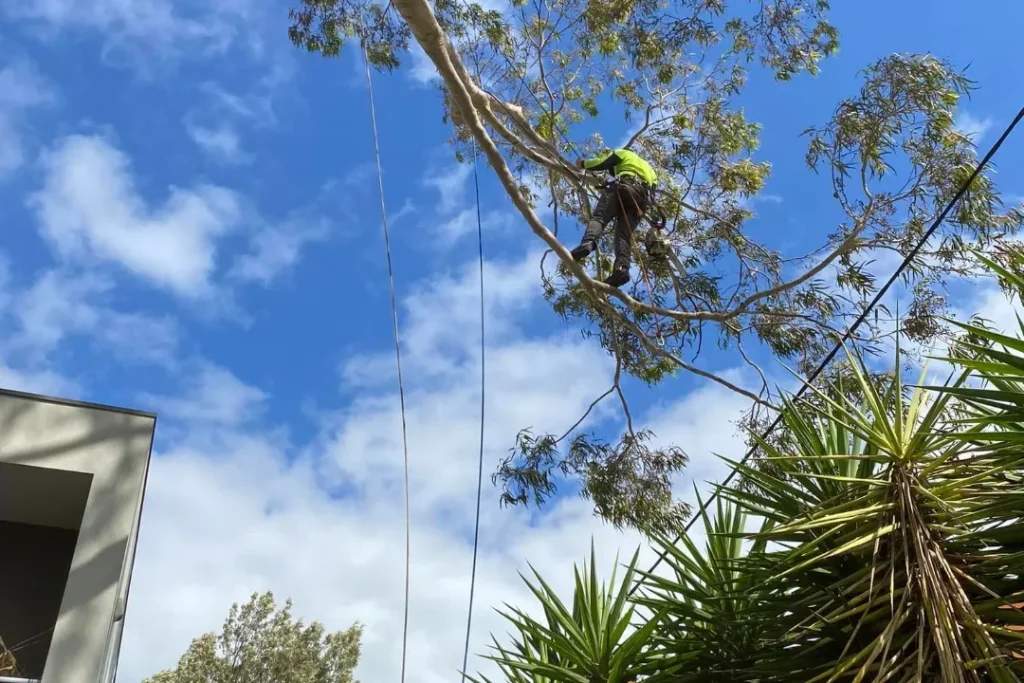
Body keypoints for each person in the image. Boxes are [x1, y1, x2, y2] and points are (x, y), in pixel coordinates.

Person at [570, 147, 658, 287]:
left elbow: (603, 162)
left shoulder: (624, 152)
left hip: (624, 186)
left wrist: (583, 164)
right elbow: (652, 195)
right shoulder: (651, 171)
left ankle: (588, 243)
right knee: (623, 235)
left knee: (599, 218)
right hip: (642, 200)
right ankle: (622, 270)